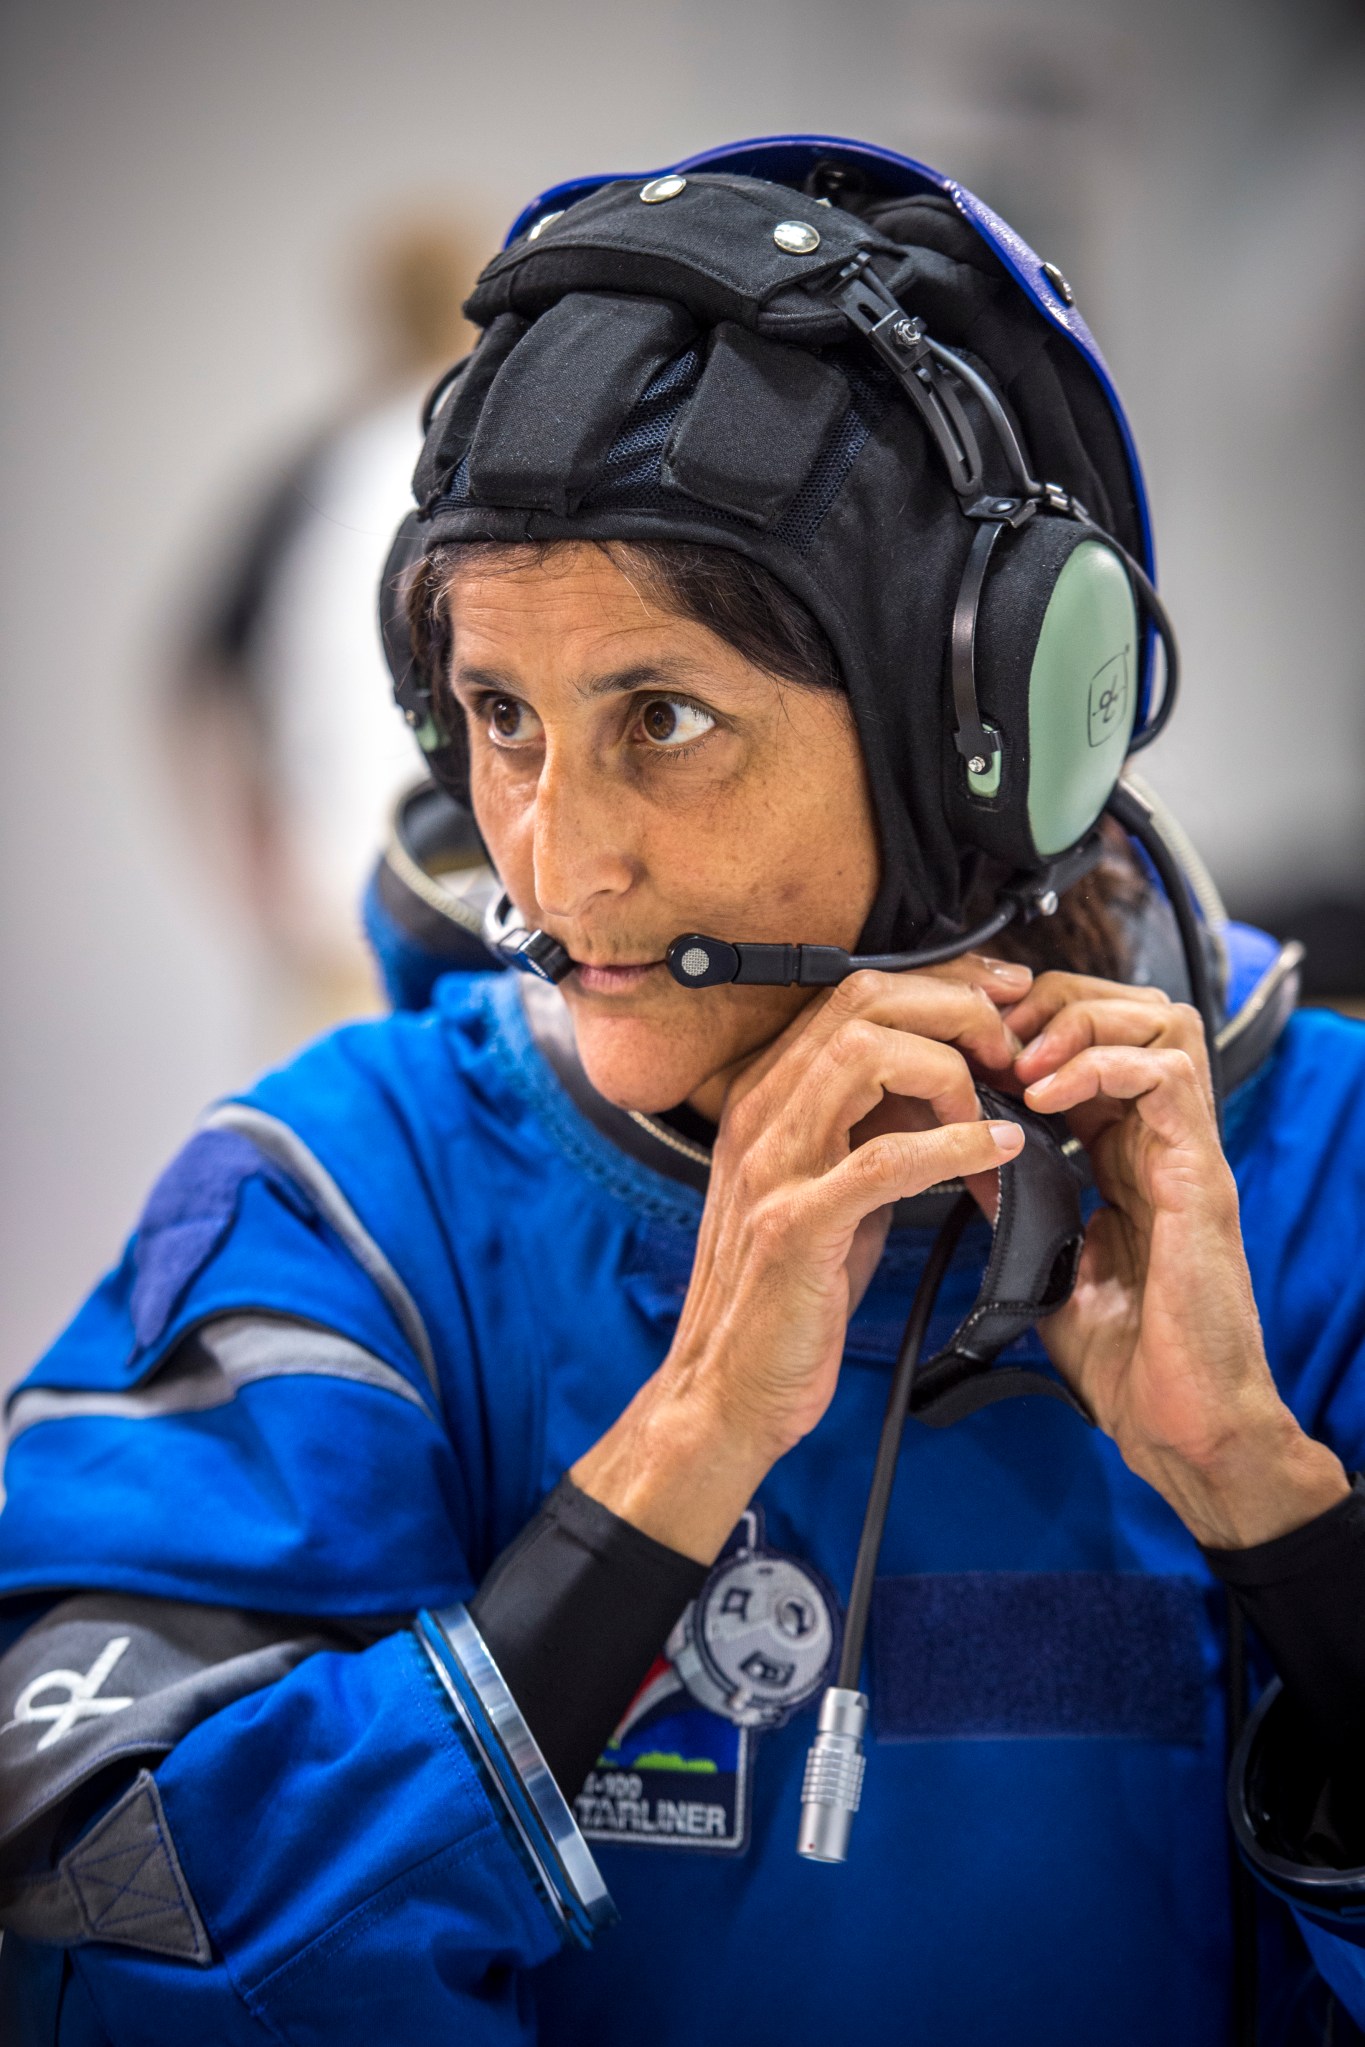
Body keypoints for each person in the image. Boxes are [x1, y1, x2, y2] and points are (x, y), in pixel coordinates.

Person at [2, 134, 1364, 2047]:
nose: (556, 867)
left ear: (981, 741)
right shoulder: (340, 1206)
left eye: (665, 721)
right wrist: (661, 1475)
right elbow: (89, 1950)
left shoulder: (1319, 1185)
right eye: (501, 720)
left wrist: (1278, 1515)